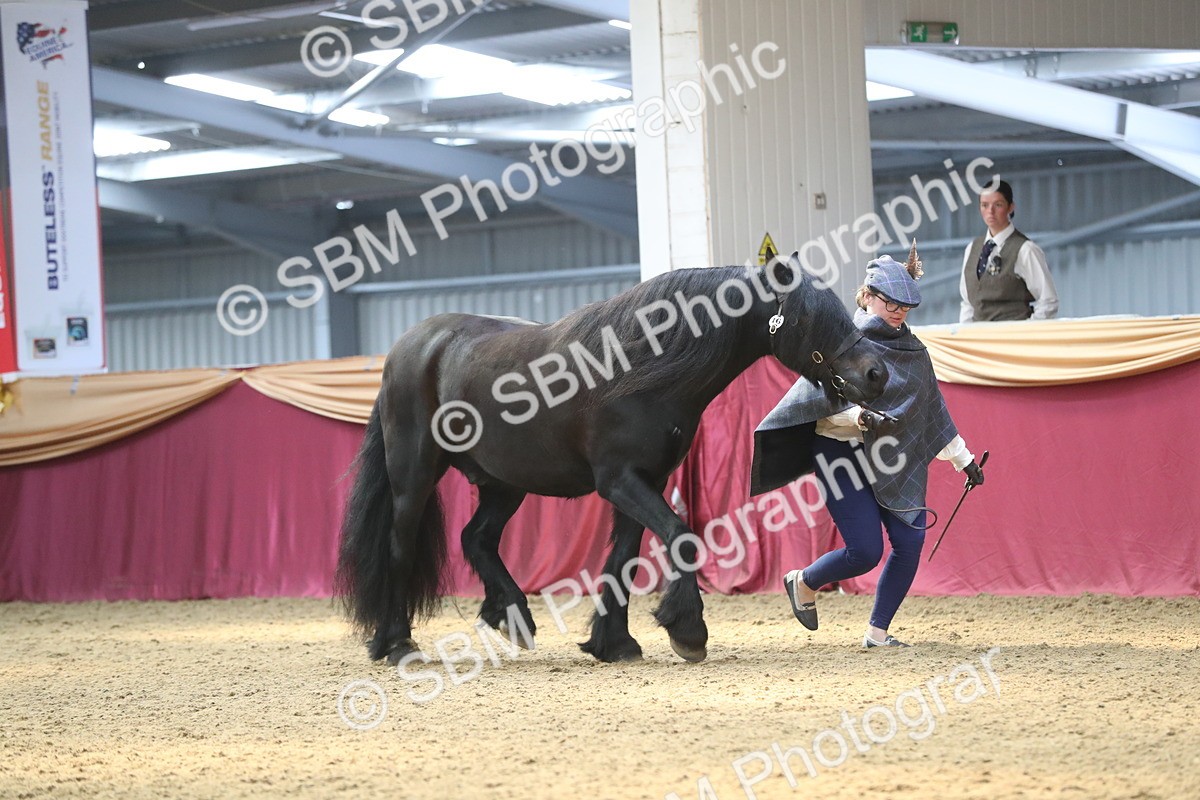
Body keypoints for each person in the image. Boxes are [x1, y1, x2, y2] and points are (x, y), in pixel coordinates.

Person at [749, 244, 984, 648]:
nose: (898, 312)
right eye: (890, 302)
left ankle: (877, 633)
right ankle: (803, 581)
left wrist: (964, 461)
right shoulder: (841, 342)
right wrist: (857, 418)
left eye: (905, 306)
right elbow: (813, 408)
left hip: (891, 456)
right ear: (868, 296)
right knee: (866, 551)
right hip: (839, 452)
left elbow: (933, 414)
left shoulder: (915, 354)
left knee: (910, 542)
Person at [960, 180, 1058, 322]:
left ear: (1010, 207)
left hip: (1012, 339)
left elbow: (1048, 301)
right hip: (978, 340)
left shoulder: (1025, 249)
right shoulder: (972, 249)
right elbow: (968, 302)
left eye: (998, 205)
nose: (990, 211)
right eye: (984, 205)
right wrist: (966, 334)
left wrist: (1023, 333)